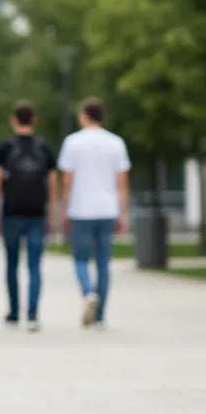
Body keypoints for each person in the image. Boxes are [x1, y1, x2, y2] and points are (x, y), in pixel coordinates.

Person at [59, 97, 130, 329]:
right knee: (103, 262)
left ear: (83, 115)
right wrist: (123, 213)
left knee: (80, 258)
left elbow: (67, 182)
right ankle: (100, 315)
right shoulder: (116, 143)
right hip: (107, 208)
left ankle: (89, 291)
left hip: (81, 209)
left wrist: (63, 209)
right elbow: (122, 184)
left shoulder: (72, 142)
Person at [0, 100, 58, 332]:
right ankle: (32, 313)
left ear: (13, 120)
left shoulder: (4, 148)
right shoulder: (45, 148)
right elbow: (52, 182)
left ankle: (13, 312)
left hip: (11, 213)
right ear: (34, 120)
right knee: (34, 265)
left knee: (11, 264)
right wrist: (52, 213)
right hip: (37, 214)